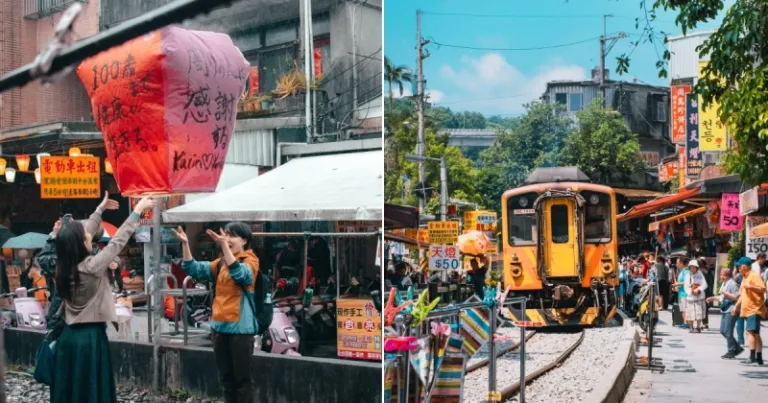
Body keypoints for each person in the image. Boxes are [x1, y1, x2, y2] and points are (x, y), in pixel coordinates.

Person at [51, 193, 153, 403]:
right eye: (87, 237)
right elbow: (117, 242)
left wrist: (99, 211)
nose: (90, 236)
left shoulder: (64, 265)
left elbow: (84, 232)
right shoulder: (91, 267)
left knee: (72, 392)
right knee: (91, 392)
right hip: (89, 338)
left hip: (69, 338)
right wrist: (136, 211)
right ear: (80, 245)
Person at [172, 223, 260, 403]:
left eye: (232, 236)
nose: (227, 239)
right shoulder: (220, 263)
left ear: (244, 240)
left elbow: (241, 275)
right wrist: (185, 244)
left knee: (242, 380)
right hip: (220, 327)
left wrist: (224, 247)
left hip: (240, 329)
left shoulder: (250, 261)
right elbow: (194, 268)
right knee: (226, 379)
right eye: (225, 235)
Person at [731, 257, 767, 366]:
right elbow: (743, 295)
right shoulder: (745, 277)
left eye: (739, 266)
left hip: (754, 309)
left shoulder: (754, 276)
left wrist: (750, 286)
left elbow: (762, 289)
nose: (738, 268)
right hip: (747, 309)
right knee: (755, 333)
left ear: (745, 267)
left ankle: (752, 357)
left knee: (750, 332)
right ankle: (759, 357)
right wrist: (736, 307)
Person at [707, 268, 742, 359]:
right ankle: (737, 347)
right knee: (723, 331)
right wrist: (712, 298)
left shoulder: (732, 284)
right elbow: (722, 297)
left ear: (729, 275)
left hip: (731, 309)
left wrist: (725, 293)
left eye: (724, 275)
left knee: (728, 331)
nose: (722, 277)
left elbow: (735, 297)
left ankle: (731, 351)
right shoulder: (724, 283)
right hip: (725, 309)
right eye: (721, 275)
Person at [684, 259, 707, 333]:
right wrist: (691, 291)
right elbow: (686, 286)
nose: (692, 269)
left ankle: (698, 327)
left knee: (699, 312)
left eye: (694, 267)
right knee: (690, 312)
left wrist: (699, 290)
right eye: (691, 267)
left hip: (699, 296)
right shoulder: (688, 275)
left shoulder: (700, 274)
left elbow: (704, 284)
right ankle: (691, 327)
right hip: (690, 297)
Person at [673, 258, 690, 329]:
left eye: (677, 263)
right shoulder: (681, 271)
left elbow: (687, 282)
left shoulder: (686, 272)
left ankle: (687, 322)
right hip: (681, 292)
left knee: (685, 308)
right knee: (682, 308)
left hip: (685, 293)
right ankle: (685, 322)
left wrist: (677, 284)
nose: (676, 264)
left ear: (682, 263)